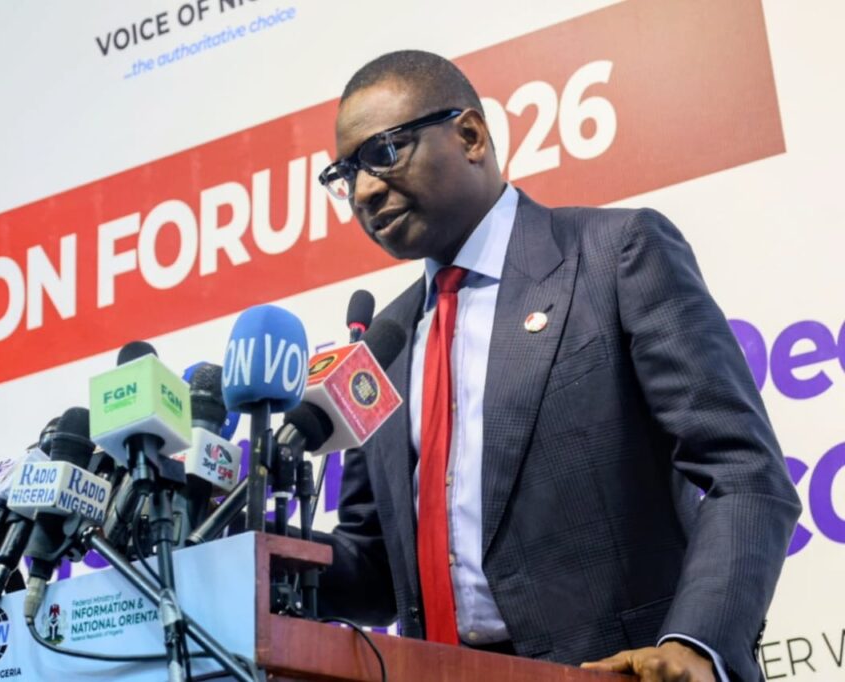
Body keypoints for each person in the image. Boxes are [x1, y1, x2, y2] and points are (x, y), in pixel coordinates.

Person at [313, 50, 801, 682]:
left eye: (384, 152)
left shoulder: (615, 255)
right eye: (346, 173)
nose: (365, 191)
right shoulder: (385, 344)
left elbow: (745, 472)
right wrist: (259, 557)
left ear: (470, 136)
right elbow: (379, 571)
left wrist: (694, 646)